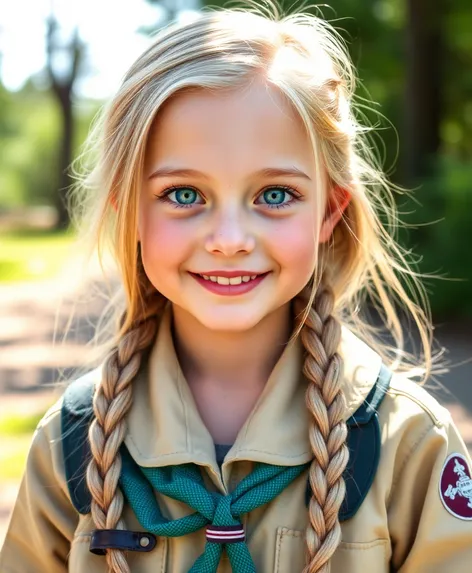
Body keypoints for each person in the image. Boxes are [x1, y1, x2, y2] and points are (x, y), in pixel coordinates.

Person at [1, 2, 471, 572]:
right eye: (183, 195)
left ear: (329, 212)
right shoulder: (71, 445)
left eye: (274, 195)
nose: (228, 239)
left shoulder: (408, 443)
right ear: (131, 213)